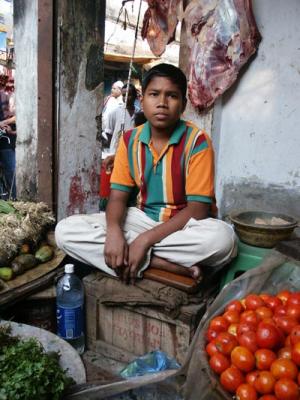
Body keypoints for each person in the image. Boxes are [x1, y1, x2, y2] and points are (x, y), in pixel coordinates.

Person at [55, 63, 237, 284]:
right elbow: (118, 197)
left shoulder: (197, 142)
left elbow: (198, 210)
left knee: (223, 241)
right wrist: (113, 231)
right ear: (143, 100)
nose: (162, 103)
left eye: (171, 96)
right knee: (65, 231)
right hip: (141, 218)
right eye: (154, 94)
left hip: (184, 225)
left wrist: (144, 241)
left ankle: (135, 256)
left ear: (183, 104)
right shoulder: (129, 140)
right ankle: (161, 265)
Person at [102, 83, 141, 169]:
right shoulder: (114, 113)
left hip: (133, 156)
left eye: (129, 95)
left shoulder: (139, 114)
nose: (126, 98)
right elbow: (109, 134)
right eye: (124, 95)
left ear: (135, 96)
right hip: (116, 155)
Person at [0, 76, 16, 199]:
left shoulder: (5, 96)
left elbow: (13, 116)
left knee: (11, 171)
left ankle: (14, 198)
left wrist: (4, 123)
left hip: (5, 140)